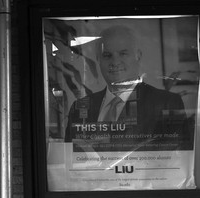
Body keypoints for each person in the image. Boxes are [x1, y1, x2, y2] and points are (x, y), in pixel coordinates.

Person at [64, 25, 192, 143]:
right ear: (98, 59)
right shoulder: (79, 108)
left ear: (138, 56)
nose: (115, 61)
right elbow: (69, 158)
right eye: (107, 55)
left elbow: (177, 159)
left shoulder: (167, 103)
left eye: (123, 53)